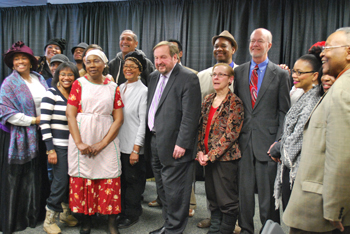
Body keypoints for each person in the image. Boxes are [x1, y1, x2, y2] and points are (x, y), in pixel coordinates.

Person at [283, 27, 350, 234]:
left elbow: (341, 155)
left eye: (329, 47)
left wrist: (334, 210)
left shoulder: (343, 90)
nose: (323, 53)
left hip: (320, 213)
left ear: (348, 52)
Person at [233, 28, 290, 233]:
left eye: (260, 41)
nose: (255, 44)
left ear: (269, 45)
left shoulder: (281, 74)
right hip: (244, 143)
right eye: (252, 41)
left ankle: (270, 229)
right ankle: (246, 229)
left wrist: (278, 142)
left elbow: (285, 112)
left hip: (268, 145)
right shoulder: (239, 72)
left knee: (268, 198)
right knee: (244, 194)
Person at [145, 41, 201, 234]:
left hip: (176, 145)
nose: (159, 61)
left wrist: (182, 143)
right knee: (163, 190)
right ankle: (168, 225)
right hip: (155, 141)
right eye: (156, 57)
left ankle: (174, 230)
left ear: (175, 57)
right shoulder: (153, 77)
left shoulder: (188, 78)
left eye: (163, 57)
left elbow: (191, 116)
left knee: (176, 191)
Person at [66, 49, 124, 234]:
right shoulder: (78, 84)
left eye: (96, 61)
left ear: (104, 64)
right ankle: (86, 222)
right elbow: (70, 114)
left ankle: (111, 224)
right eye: (88, 61)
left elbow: (119, 119)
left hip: (107, 139)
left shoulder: (113, 87)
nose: (92, 65)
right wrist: (79, 143)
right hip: (82, 137)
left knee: (110, 177)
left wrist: (102, 144)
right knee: (84, 179)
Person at [0, 41, 50, 234]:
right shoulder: (9, 83)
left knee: (36, 176)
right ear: (12, 64)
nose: (20, 61)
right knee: (17, 178)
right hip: (18, 136)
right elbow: (5, 112)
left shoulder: (39, 79)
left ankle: (34, 215)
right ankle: (15, 220)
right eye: (16, 59)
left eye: (24, 58)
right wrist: (33, 120)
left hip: (40, 135)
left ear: (31, 62)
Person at [267, 53, 322, 211]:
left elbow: (298, 138)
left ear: (315, 75)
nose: (295, 76)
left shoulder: (314, 100)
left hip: (299, 168)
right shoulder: (301, 94)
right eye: (294, 71)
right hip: (288, 164)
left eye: (300, 72)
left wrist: (279, 148)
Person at [196, 29, 239, 229]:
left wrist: (211, 155)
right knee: (212, 196)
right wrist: (200, 151)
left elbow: (231, 134)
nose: (216, 77)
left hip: (224, 157)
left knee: (227, 198)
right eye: (214, 74)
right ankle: (215, 227)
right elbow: (201, 126)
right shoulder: (208, 100)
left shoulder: (235, 102)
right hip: (207, 156)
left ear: (230, 79)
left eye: (221, 75)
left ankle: (226, 229)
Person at [40, 62, 80, 234]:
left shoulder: (75, 94)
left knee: (70, 181)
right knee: (60, 181)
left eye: (70, 74)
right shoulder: (51, 93)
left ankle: (65, 213)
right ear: (57, 75)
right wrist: (50, 149)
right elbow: (44, 122)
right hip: (58, 147)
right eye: (63, 74)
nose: (66, 78)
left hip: (74, 146)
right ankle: (49, 219)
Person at [116, 51, 148, 229]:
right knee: (121, 181)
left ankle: (132, 214)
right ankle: (122, 211)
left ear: (139, 70)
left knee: (133, 181)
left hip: (133, 146)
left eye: (132, 66)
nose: (127, 69)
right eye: (125, 66)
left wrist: (136, 149)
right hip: (119, 144)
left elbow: (143, 123)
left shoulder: (143, 91)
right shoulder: (121, 87)